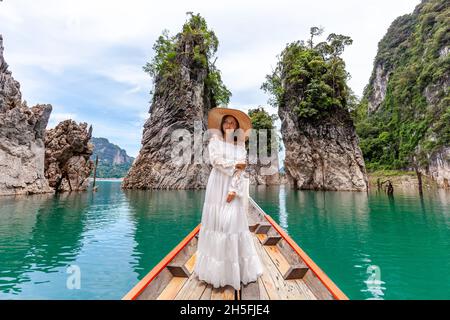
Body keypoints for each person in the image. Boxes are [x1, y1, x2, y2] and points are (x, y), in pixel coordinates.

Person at [192, 107, 264, 292]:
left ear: (237, 127)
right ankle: (215, 272)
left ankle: (235, 271)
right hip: (216, 185)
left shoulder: (240, 145)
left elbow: (242, 168)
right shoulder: (215, 140)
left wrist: (233, 189)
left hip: (234, 186)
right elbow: (215, 161)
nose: (229, 125)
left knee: (232, 225)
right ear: (222, 125)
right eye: (227, 122)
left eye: (233, 123)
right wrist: (234, 165)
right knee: (216, 225)